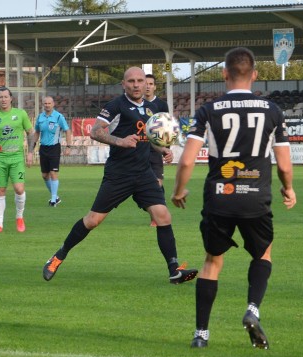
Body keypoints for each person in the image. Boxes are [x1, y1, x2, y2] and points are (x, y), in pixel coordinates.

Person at [171, 47, 296, 349]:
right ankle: (252, 309)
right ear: (254, 75)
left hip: (219, 198)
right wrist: (288, 188)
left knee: (212, 262)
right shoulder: (272, 111)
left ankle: (201, 334)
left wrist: (178, 191)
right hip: (256, 199)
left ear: (224, 74)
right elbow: (284, 164)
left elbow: (187, 161)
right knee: (262, 255)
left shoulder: (208, 111)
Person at [42, 67, 198, 284]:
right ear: (124, 84)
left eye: (140, 81)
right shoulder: (116, 106)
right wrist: (120, 141)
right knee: (93, 220)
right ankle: (59, 255)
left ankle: (174, 270)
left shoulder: (152, 108)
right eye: (131, 81)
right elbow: (95, 131)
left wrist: (161, 148)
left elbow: (148, 138)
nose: (136, 85)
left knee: (163, 216)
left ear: (146, 84)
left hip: (143, 174)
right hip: (119, 175)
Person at [0, 87, 34, 233]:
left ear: (11, 98)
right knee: (0, 190)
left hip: (16, 157)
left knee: (19, 188)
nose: (3, 99)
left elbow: (31, 133)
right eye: (0, 97)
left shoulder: (20, 114)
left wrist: (30, 153)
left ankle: (19, 217)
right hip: (0, 158)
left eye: (5, 97)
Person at [33, 96, 72, 207]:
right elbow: (36, 132)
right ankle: (56, 197)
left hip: (54, 147)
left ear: (53, 104)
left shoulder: (59, 117)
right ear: (43, 104)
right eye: (45, 103)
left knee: (53, 173)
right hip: (43, 148)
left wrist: (69, 146)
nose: (47, 105)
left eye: (49, 103)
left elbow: (67, 131)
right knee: (45, 175)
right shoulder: (40, 117)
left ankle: (53, 200)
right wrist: (32, 146)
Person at [144, 74, 169, 226]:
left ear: (155, 86)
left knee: (157, 182)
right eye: (145, 83)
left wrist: (166, 148)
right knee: (144, 183)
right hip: (139, 148)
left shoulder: (161, 105)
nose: (147, 86)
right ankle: (156, 211)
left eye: (151, 83)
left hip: (155, 148)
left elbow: (167, 127)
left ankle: (156, 216)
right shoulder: (137, 103)